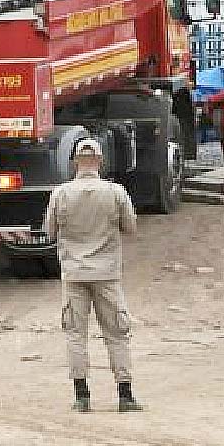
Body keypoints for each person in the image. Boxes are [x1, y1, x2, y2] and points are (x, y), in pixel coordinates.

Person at [42, 138, 142, 413]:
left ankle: (82, 396)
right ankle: (125, 395)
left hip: (74, 273)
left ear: (75, 162)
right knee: (117, 334)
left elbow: (49, 232)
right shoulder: (115, 191)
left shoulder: (60, 193)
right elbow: (130, 228)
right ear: (100, 160)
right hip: (107, 273)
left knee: (76, 335)